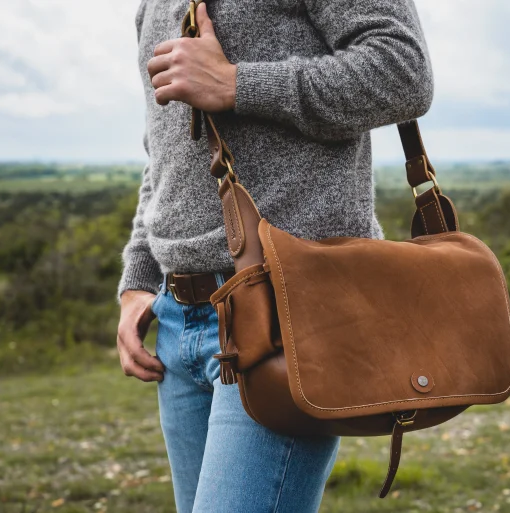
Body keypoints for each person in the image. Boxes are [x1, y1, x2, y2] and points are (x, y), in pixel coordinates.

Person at [116, 0, 433, 511]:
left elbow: (403, 70)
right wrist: (140, 279)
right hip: (178, 321)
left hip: (290, 307)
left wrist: (237, 84)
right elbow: (166, 156)